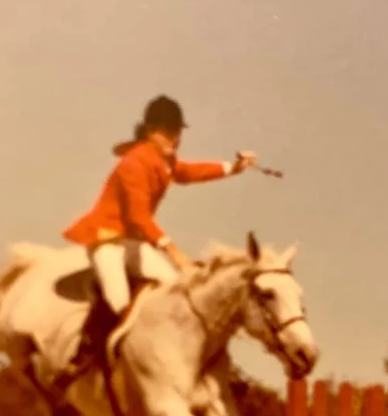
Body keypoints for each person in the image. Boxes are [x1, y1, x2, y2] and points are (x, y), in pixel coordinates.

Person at [58, 94, 257, 381]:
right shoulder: (133, 162)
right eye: (169, 132)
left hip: (132, 243)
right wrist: (173, 251)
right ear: (151, 131)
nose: (175, 138)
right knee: (118, 300)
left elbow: (189, 172)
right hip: (107, 241)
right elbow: (139, 216)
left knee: (173, 288)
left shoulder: (163, 160)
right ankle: (83, 355)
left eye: (177, 132)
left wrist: (233, 168)